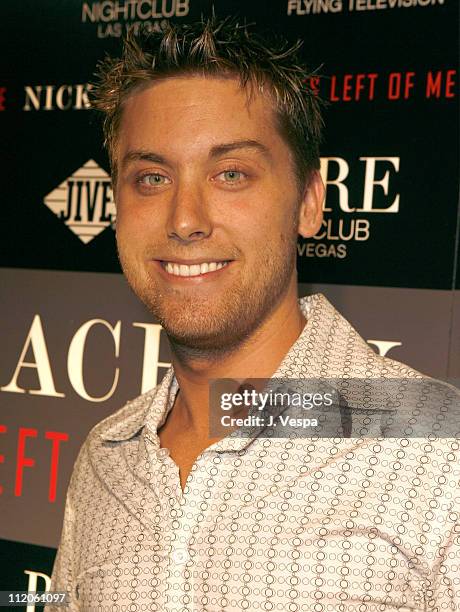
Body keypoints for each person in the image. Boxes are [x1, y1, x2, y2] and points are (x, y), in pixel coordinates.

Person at [46, 16, 460, 612]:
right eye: (152, 177)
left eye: (231, 173)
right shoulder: (106, 458)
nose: (184, 218)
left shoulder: (436, 452)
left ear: (309, 203)